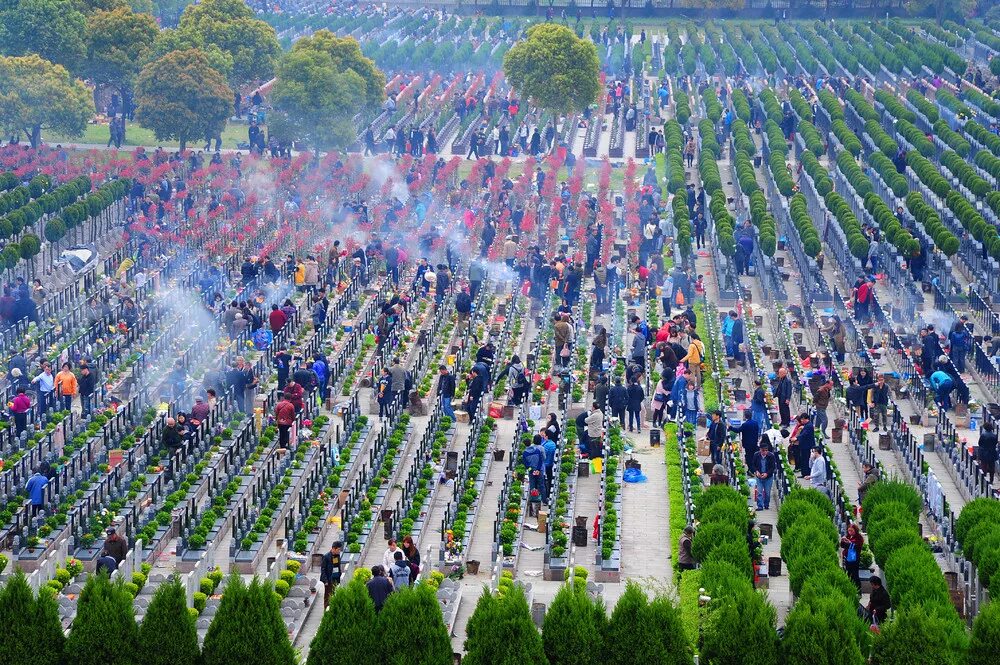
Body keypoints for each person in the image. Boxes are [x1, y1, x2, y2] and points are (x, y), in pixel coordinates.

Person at [752, 441, 777, 510]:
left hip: (768, 477)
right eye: (763, 450)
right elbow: (753, 465)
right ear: (760, 450)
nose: (765, 452)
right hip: (759, 476)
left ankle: (766, 504)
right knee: (759, 492)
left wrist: (767, 473)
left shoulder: (771, 456)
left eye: (766, 450)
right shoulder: (756, 455)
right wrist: (756, 471)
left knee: (767, 492)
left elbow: (773, 467)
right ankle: (760, 506)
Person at [841, 522, 865, 588]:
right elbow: (843, 546)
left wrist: (849, 542)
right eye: (849, 530)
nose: (850, 532)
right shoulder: (848, 536)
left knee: (855, 575)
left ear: (855, 530)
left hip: (854, 559)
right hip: (847, 558)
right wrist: (843, 540)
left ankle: (858, 590)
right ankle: (851, 588)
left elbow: (857, 547)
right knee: (848, 574)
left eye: (851, 530)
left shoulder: (859, 537)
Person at [320, 541, 343, 608]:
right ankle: (326, 611)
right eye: (338, 549)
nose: (339, 551)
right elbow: (323, 569)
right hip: (329, 580)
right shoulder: (326, 556)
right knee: (328, 597)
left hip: (336, 578)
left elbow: (338, 567)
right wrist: (325, 580)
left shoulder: (337, 556)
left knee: (334, 595)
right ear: (333, 548)